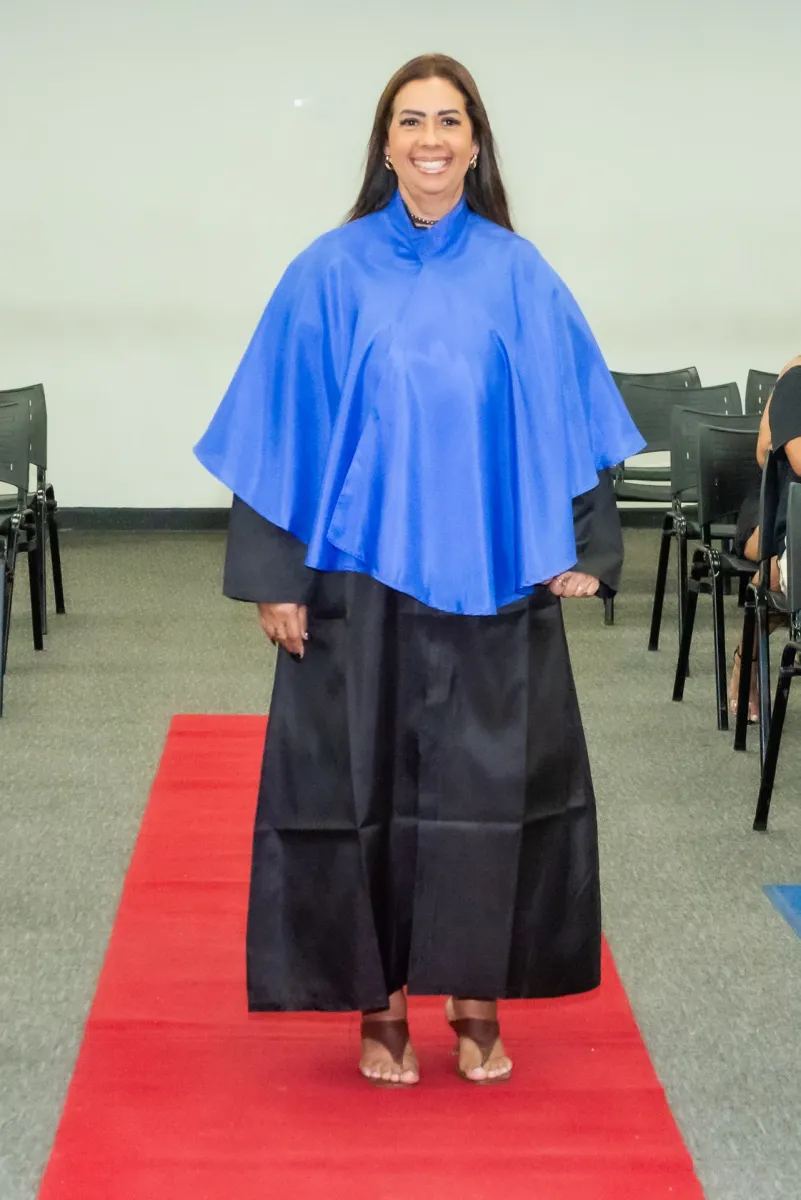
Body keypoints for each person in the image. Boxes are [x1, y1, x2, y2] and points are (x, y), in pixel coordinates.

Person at [195, 53, 644, 1088]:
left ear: (475, 142)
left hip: (494, 575)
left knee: (491, 792)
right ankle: (381, 1005)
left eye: (448, 120)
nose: (430, 139)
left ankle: (476, 1002)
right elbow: (278, 426)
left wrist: (584, 544)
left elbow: (568, 409)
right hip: (356, 581)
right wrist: (274, 576)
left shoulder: (518, 274)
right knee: (360, 794)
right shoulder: (329, 272)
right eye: (411, 121)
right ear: (386, 143)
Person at [729, 356, 801, 720]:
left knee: (777, 572)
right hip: (774, 508)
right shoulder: (796, 380)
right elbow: (782, 459)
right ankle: (747, 660)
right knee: (777, 568)